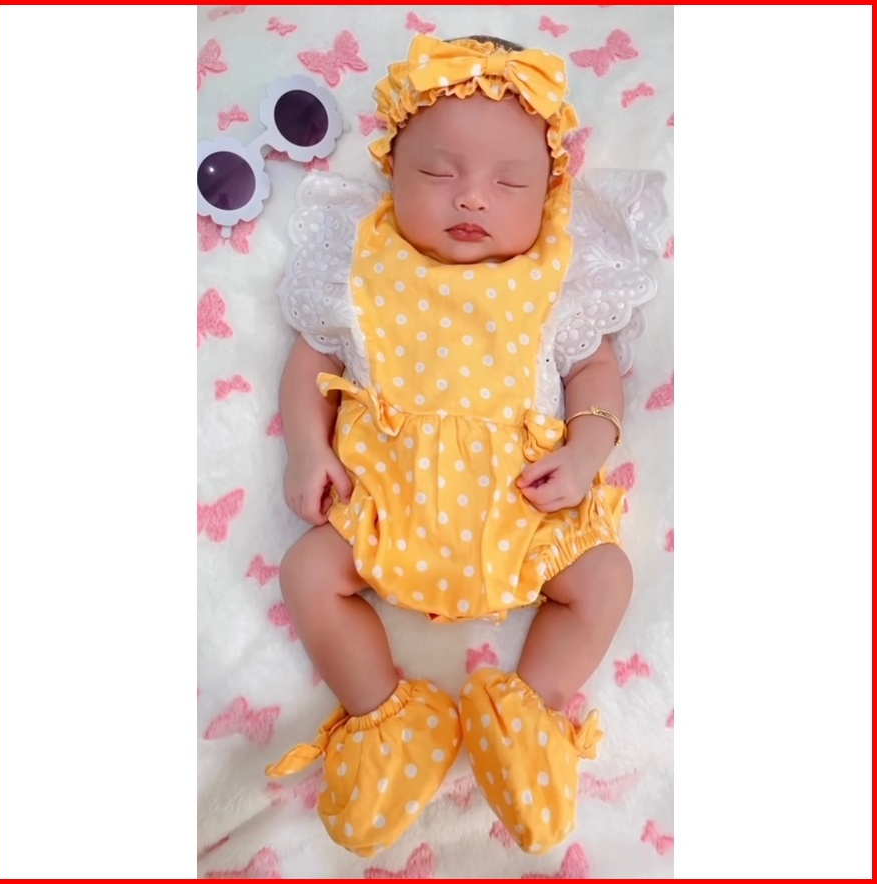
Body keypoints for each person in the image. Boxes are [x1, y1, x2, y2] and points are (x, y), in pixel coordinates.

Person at [265, 33, 664, 857]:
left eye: (509, 181)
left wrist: (587, 449)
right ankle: (386, 716)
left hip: (522, 509)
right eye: (437, 173)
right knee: (307, 572)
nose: (472, 197)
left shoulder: (554, 275)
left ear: (549, 191)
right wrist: (308, 448)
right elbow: (311, 360)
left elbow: (594, 371)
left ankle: (527, 713)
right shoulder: (361, 265)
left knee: (605, 576)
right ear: (392, 172)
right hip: (387, 503)